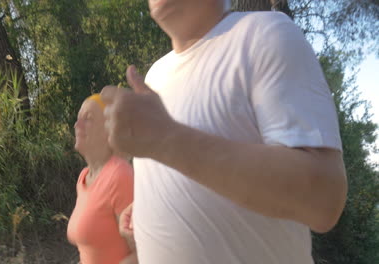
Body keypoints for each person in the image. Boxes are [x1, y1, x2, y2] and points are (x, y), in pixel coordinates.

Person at [100, 0, 348, 263]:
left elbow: (324, 200)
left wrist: (168, 140)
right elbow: (198, 177)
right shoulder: (155, 76)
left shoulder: (265, 33)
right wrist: (150, 206)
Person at [67, 94, 136, 264]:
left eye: (88, 118)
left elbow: (142, 253)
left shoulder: (120, 175)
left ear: (110, 131)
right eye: (78, 118)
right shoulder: (83, 178)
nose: (77, 125)